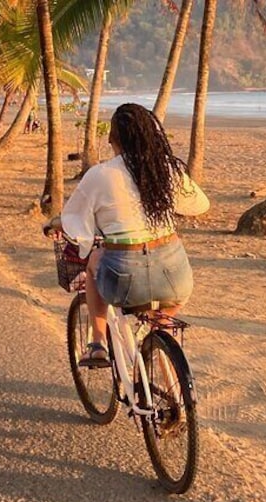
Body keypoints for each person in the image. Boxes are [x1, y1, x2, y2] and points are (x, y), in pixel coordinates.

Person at [45, 103, 209, 368]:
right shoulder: (166, 169)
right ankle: (163, 330)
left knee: (95, 259)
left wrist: (54, 223)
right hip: (175, 276)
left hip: (125, 280)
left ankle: (97, 344)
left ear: (112, 138)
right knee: (170, 306)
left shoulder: (100, 175)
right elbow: (200, 205)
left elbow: (74, 220)